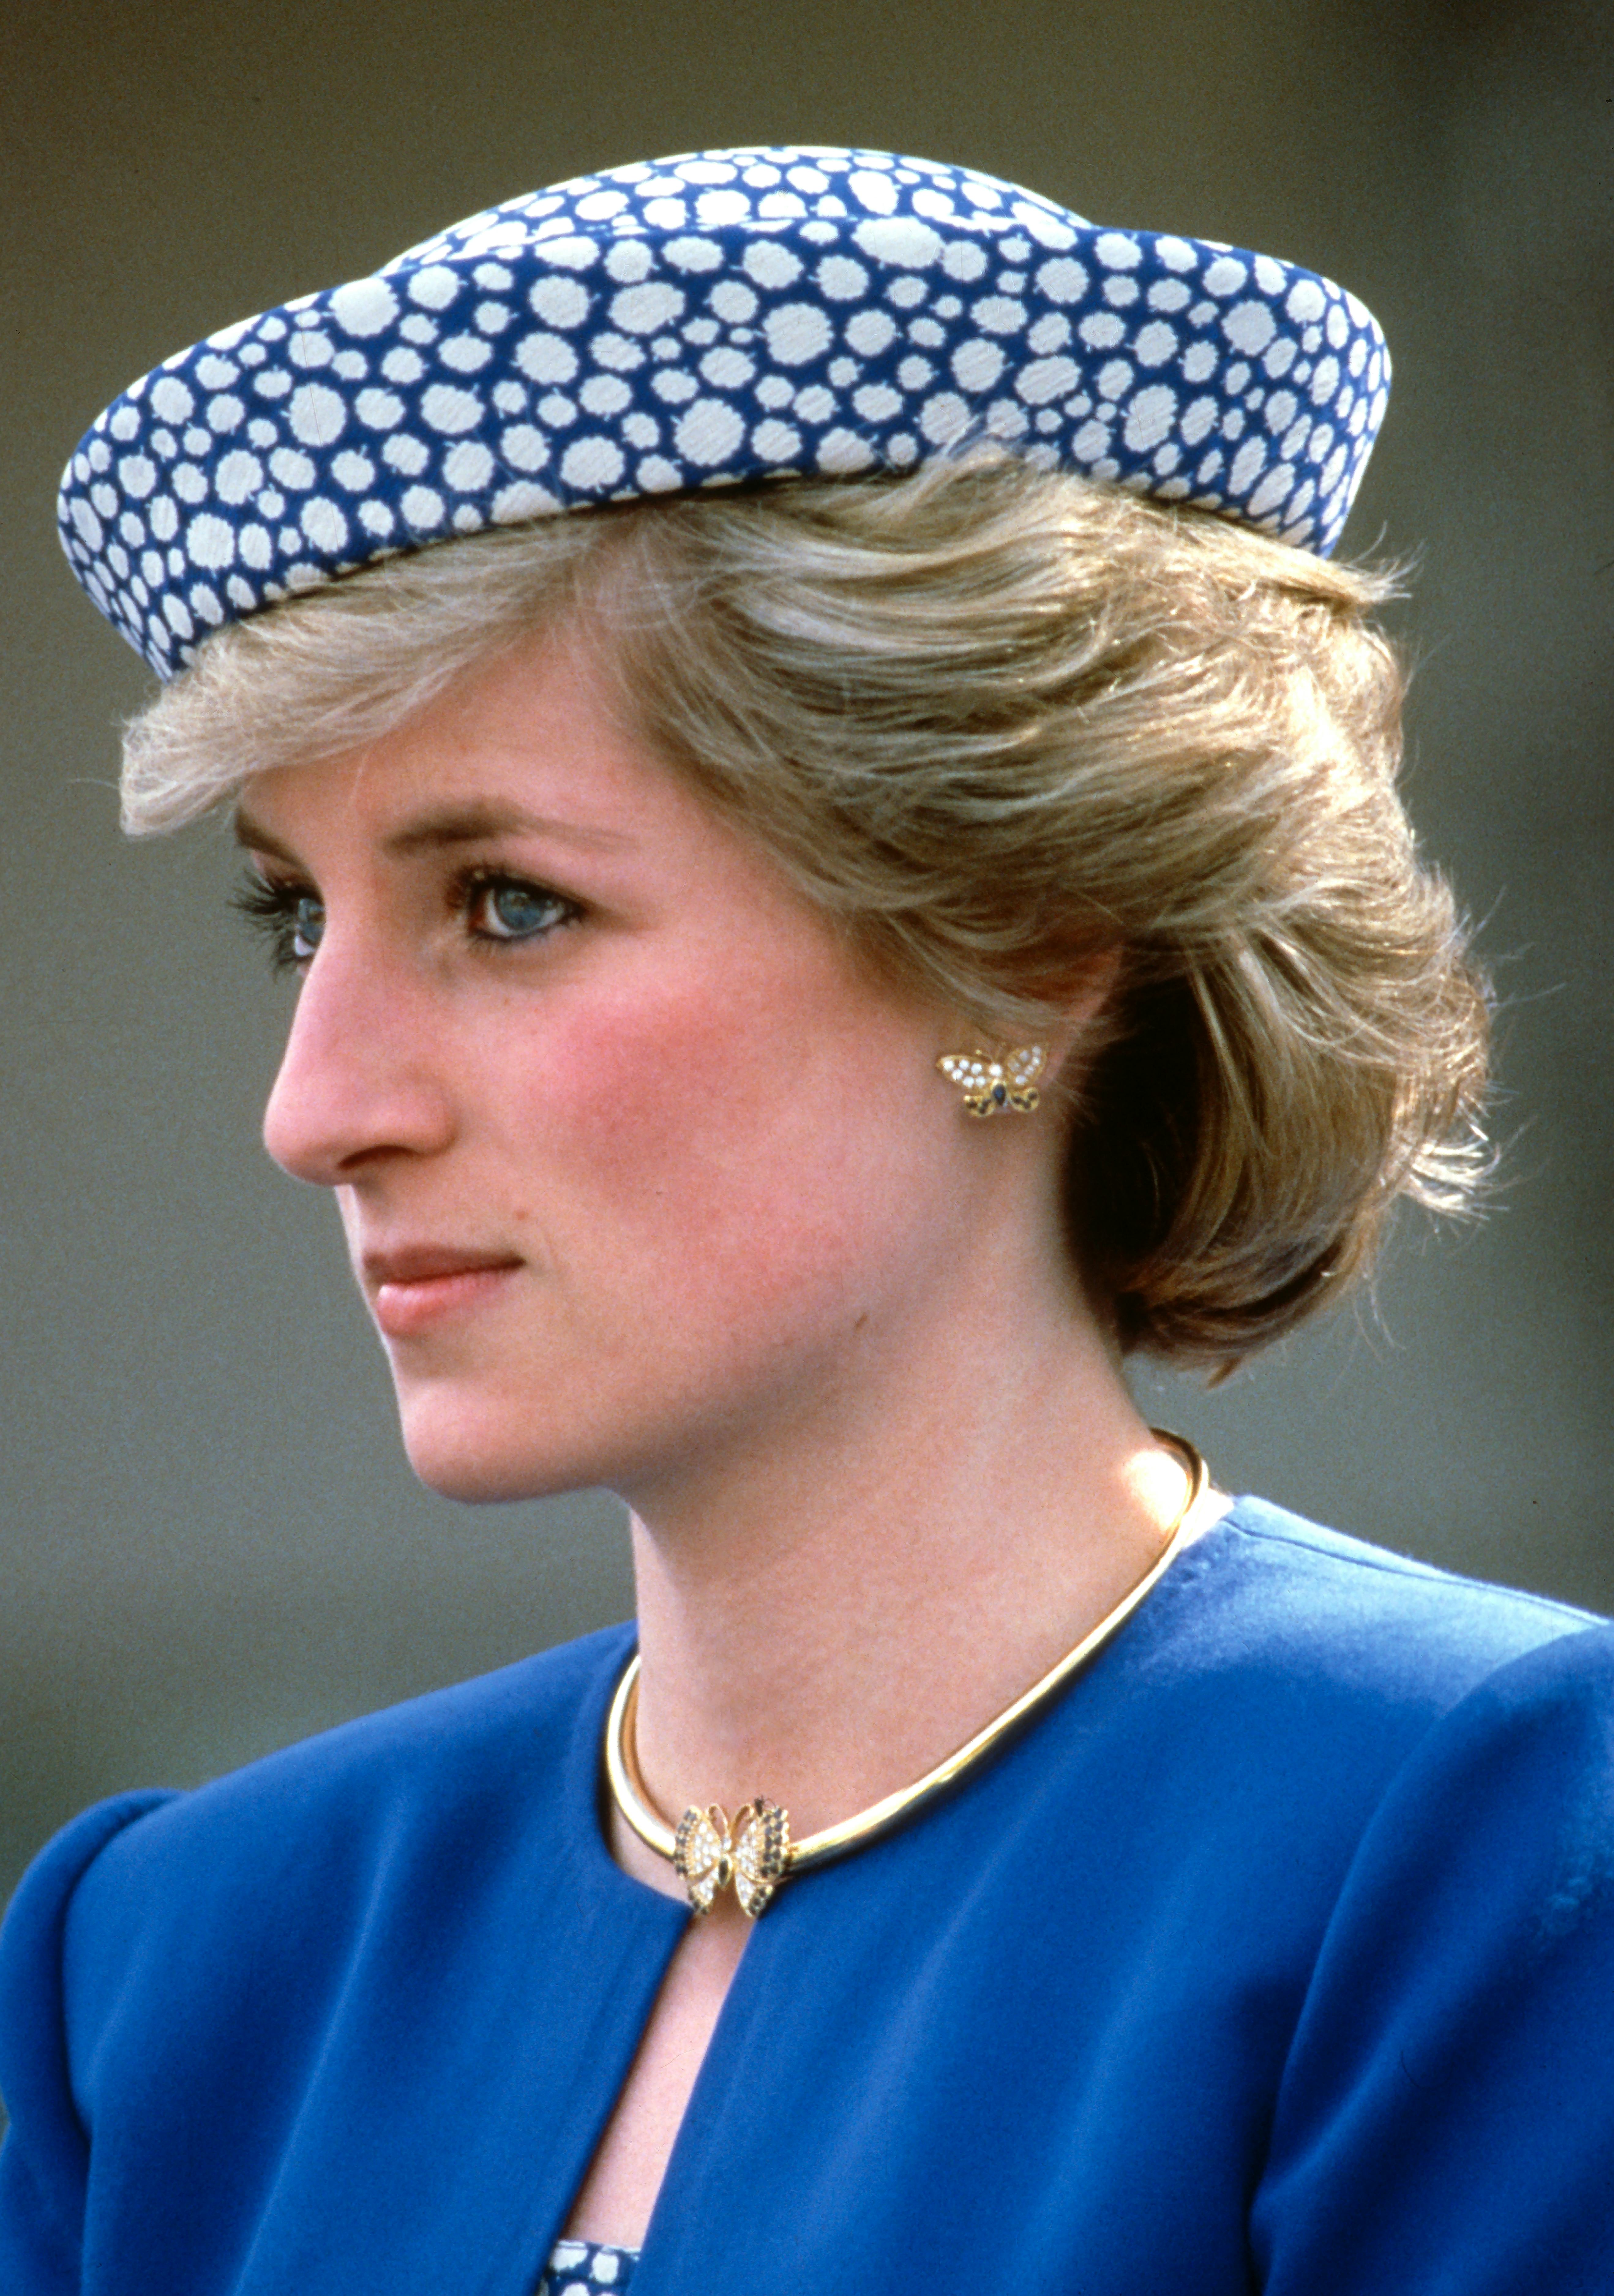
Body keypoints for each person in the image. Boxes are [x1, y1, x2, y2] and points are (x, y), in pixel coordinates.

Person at [4, 145, 1612, 2296]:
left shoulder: (1487, 1856)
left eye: (509, 904)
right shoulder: (172, 1970)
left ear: (1024, 950)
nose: (318, 1110)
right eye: (299, 914)